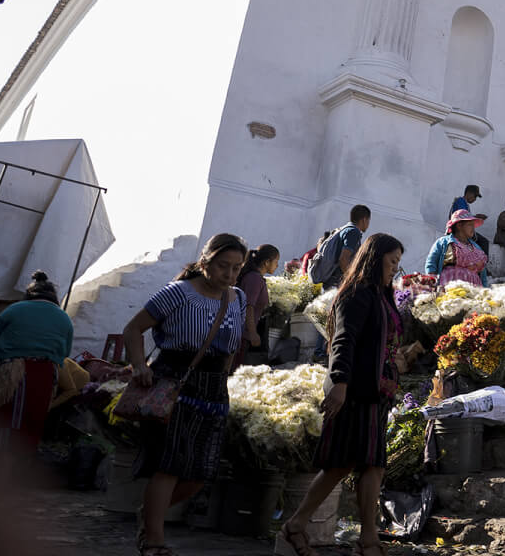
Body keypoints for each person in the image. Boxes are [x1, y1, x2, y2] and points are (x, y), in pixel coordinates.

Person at [122, 232, 249, 556]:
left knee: (201, 471)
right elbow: (133, 329)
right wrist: (139, 366)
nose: (230, 274)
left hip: (214, 391)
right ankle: (153, 539)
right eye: (223, 266)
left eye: (236, 268)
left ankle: (149, 515)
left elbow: (232, 346)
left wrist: (225, 378)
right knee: (170, 464)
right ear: (205, 262)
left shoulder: (238, 298)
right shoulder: (178, 293)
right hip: (174, 383)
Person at [279, 233, 405, 556]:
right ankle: (305, 528)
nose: (395, 268)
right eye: (392, 261)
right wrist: (339, 382)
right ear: (375, 259)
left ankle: (357, 537)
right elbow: (343, 340)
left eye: (398, 263)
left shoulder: (380, 295)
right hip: (356, 390)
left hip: (376, 392)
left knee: (367, 463)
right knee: (345, 463)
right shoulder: (357, 294)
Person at [0, 271, 73, 458]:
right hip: (45, 375)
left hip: (11, 372)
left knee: (5, 419)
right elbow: (65, 353)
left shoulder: (15, 309)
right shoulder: (64, 318)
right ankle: (20, 467)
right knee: (32, 421)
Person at [234, 244, 281, 368]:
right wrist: (252, 333)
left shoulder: (256, 277)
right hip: (242, 335)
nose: (277, 265)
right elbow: (248, 307)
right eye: (276, 261)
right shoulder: (254, 278)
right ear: (267, 262)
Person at [424, 209, 492, 288]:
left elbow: (483, 275)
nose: (473, 228)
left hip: (473, 289)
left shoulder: (477, 248)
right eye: (470, 225)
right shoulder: (443, 242)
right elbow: (431, 264)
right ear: (459, 226)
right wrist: (432, 284)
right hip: (449, 286)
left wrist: (484, 290)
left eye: (473, 225)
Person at [450, 186, 486, 253]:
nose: (475, 199)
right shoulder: (461, 201)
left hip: (461, 229)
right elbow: (463, 218)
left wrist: (476, 217)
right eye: (475, 196)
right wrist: (476, 217)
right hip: (458, 230)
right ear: (469, 193)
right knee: (483, 242)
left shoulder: (464, 203)